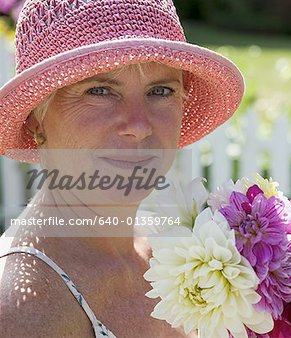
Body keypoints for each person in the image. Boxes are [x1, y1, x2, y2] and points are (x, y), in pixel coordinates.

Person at [0, 0, 244, 337]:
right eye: (100, 90)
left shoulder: (174, 252)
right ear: (35, 119)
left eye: (160, 91)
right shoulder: (19, 310)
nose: (138, 125)